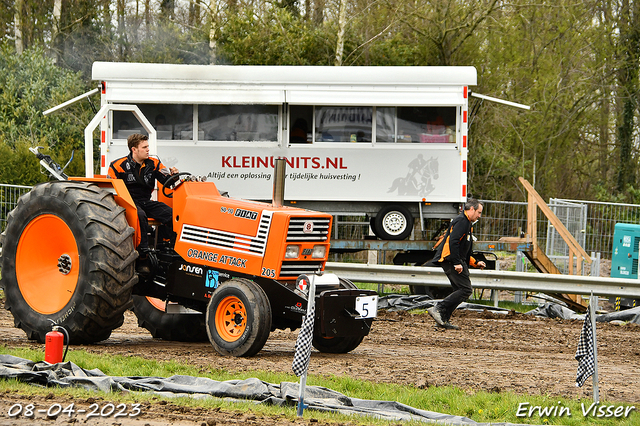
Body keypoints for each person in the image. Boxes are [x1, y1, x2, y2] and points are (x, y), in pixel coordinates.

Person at [107, 133, 179, 252]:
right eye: (144, 147)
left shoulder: (154, 163)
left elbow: (167, 181)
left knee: (173, 215)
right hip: (127, 202)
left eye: (148, 146)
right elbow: (111, 191)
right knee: (140, 215)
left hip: (146, 201)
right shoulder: (117, 165)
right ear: (134, 149)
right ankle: (143, 251)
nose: (148, 150)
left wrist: (174, 175)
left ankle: (162, 244)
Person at [427, 198, 486, 330]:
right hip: (451, 260)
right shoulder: (462, 221)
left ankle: (442, 319)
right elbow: (453, 242)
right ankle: (439, 309)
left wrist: (475, 263)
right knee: (466, 289)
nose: (479, 216)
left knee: (460, 290)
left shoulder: (466, 223)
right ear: (471, 209)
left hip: (454, 260)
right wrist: (456, 263)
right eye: (479, 212)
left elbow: (464, 249)